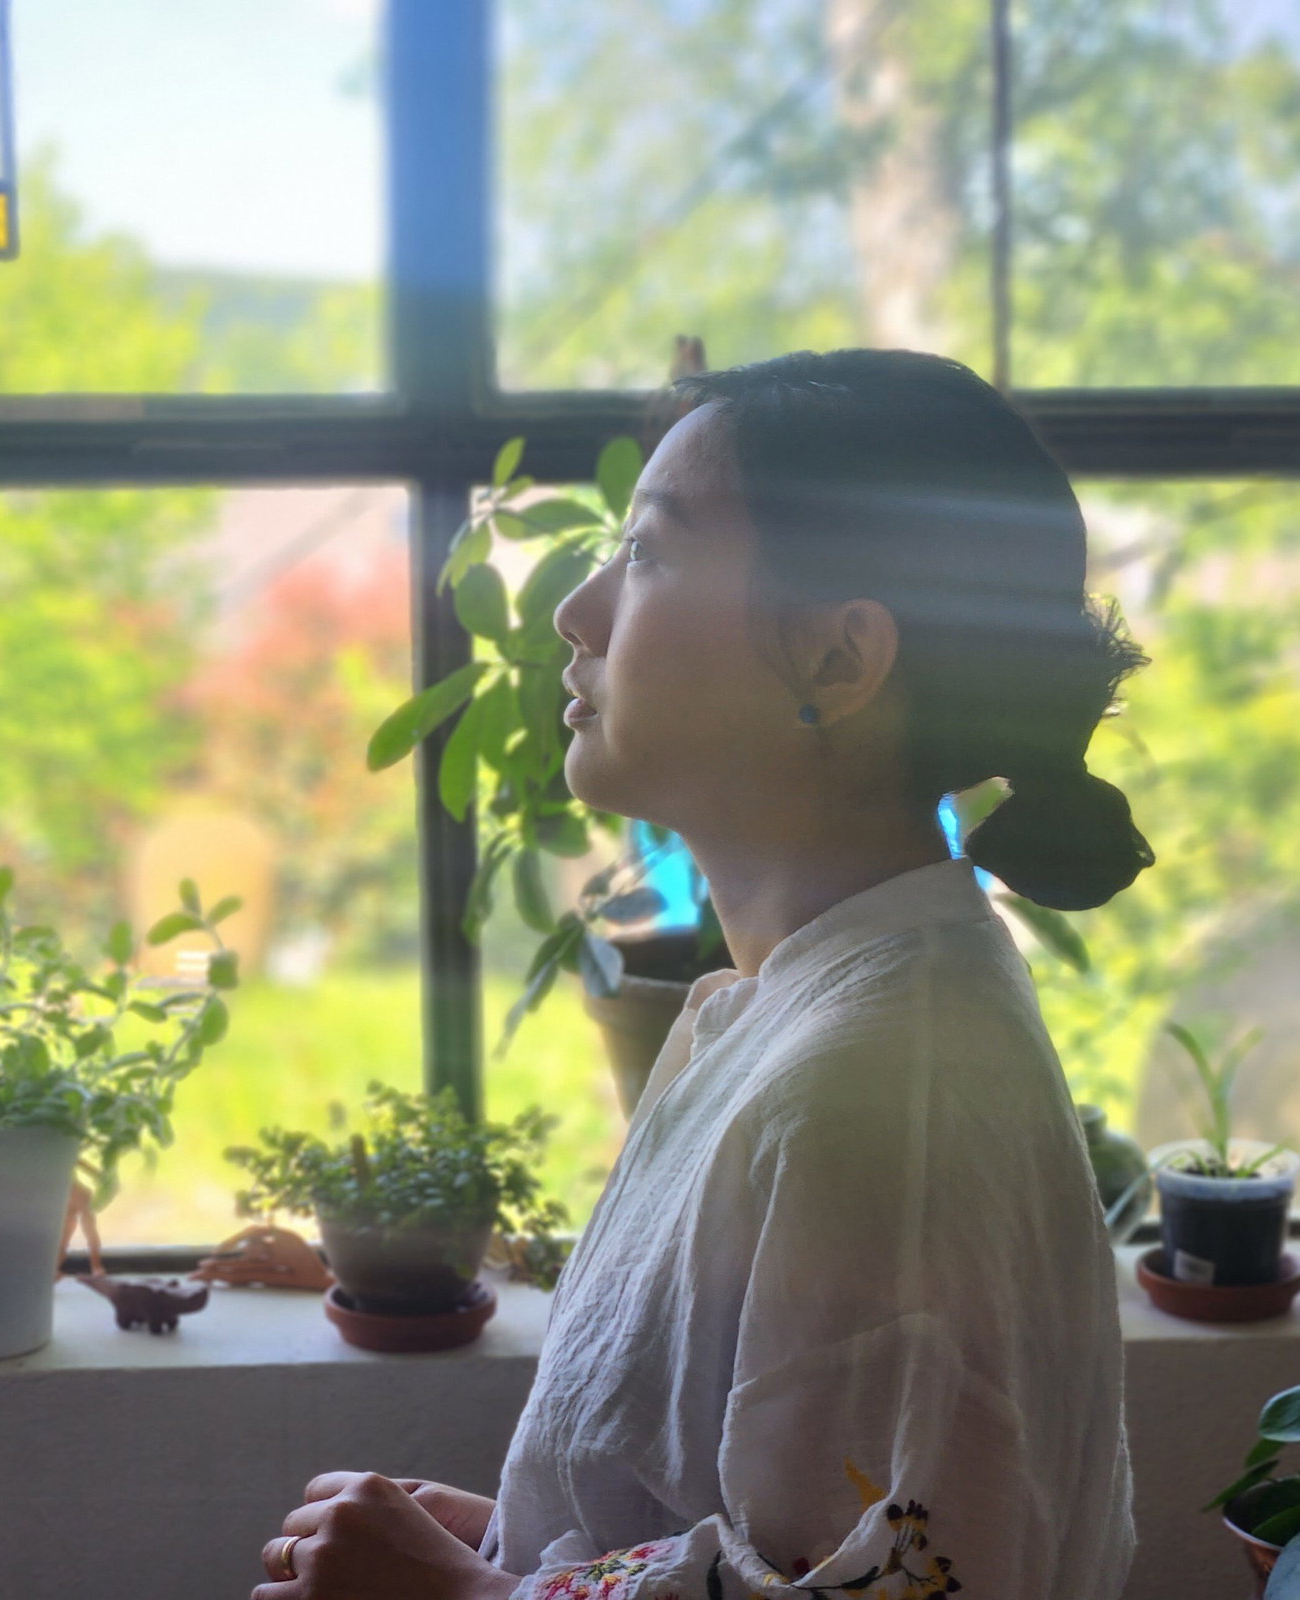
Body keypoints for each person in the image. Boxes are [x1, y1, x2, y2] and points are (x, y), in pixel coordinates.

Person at [253, 348, 1154, 1600]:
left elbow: (915, 1583)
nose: (577, 612)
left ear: (836, 661)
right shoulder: (809, 1014)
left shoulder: (882, 1093)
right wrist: (526, 1543)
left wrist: (467, 1598)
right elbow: (780, 1531)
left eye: (648, 552)